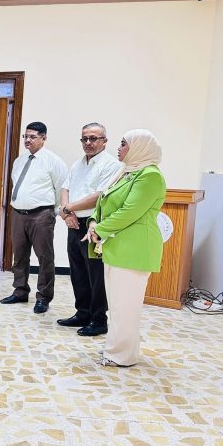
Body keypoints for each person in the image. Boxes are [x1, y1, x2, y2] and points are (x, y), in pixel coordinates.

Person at [85, 129, 166, 367]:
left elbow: (130, 211)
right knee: (118, 306)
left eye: (123, 144)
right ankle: (120, 349)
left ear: (139, 147)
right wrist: (93, 221)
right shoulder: (127, 171)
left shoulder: (150, 175)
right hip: (117, 247)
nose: (119, 148)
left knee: (125, 307)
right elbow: (104, 200)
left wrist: (99, 230)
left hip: (134, 249)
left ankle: (121, 356)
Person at [57, 123, 122, 336]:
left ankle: (99, 320)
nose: (88, 142)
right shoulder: (78, 164)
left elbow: (99, 197)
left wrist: (68, 208)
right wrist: (66, 213)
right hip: (73, 222)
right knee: (78, 272)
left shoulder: (111, 165)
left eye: (93, 138)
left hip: (93, 225)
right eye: (84, 139)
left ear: (105, 141)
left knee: (96, 274)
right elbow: (65, 188)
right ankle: (82, 313)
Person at [0, 121, 68, 314]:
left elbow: (61, 188)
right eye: (26, 136)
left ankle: (44, 297)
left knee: (44, 257)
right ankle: (20, 291)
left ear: (43, 138)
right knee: (19, 255)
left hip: (41, 215)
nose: (27, 140)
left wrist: (54, 211)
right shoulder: (20, 160)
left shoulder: (53, 161)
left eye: (32, 137)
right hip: (18, 214)